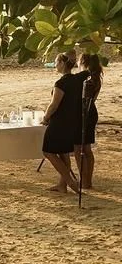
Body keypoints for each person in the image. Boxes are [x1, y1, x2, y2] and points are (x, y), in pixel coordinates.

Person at [41, 51, 81, 194]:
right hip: (71, 120)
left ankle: (70, 181)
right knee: (63, 153)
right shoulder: (76, 80)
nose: (55, 65)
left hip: (59, 122)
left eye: (57, 62)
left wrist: (45, 118)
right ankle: (62, 184)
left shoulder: (61, 83)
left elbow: (54, 105)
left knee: (48, 151)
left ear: (63, 64)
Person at [73, 53, 103, 189]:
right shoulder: (95, 77)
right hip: (91, 112)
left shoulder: (85, 78)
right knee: (87, 149)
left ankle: (83, 180)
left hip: (83, 113)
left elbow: (83, 100)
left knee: (79, 148)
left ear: (82, 62)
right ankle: (87, 180)